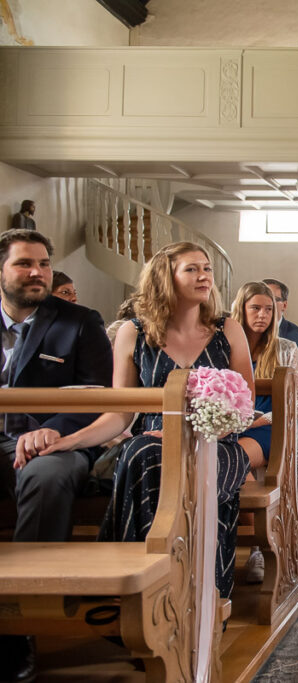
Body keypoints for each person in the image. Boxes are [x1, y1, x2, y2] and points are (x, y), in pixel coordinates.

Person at [41, 242, 253, 603]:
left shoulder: (226, 329)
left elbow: (243, 407)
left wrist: (192, 433)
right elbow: (120, 412)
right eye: (191, 269)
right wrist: (70, 440)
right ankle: (149, 590)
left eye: (207, 268)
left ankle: (192, 595)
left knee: (152, 454)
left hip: (216, 443)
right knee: (147, 452)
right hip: (151, 443)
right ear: (164, 277)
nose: (204, 276)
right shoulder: (134, 332)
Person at [0, 230, 112, 683]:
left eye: (44, 264)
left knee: (47, 476)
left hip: (53, 442)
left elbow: (100, 394)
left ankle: (20, 625)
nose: (37, 272)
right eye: (24, 263)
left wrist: (56, 428)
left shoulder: (79, 322)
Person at [231, 281, 298, 583]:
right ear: (241, 308)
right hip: (232, 426)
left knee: (233, 458)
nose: (263, 315)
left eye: (268, 309)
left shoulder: (286, 349)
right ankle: (252, 539)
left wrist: (262, 419)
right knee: (216, 458)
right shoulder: (225, 347)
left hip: (269, 428)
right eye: (255, 308)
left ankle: (258, 545)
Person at [262, 278, 298, 432]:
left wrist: (274, 418)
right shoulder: (246, 336)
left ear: (284, 305)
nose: (267, 304)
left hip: (287, 418)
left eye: (273, 299)